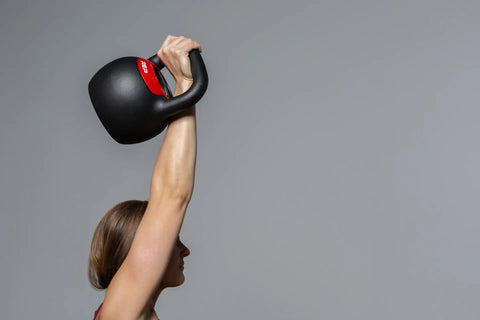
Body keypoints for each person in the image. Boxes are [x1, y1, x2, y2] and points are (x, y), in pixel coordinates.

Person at [88, 35, 202, 320]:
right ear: (135, 252)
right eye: (172, 238)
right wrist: (185, 87)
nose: (185, 250)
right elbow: (172, 195)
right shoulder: (119, 314)